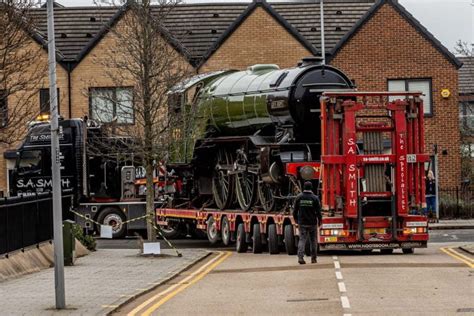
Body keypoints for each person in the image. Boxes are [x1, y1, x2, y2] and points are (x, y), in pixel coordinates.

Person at [293, 181, 322, 265]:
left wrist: (296, 220)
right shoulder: (315, 198)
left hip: (302, 222)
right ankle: (313, 258)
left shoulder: (299, 197)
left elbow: (295, 211)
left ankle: (300, 257)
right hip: (312, 222)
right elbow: (318, 211)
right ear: (311, 188)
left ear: (303, 187)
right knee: (313, 240)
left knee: (302, 240)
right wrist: (320, 220)